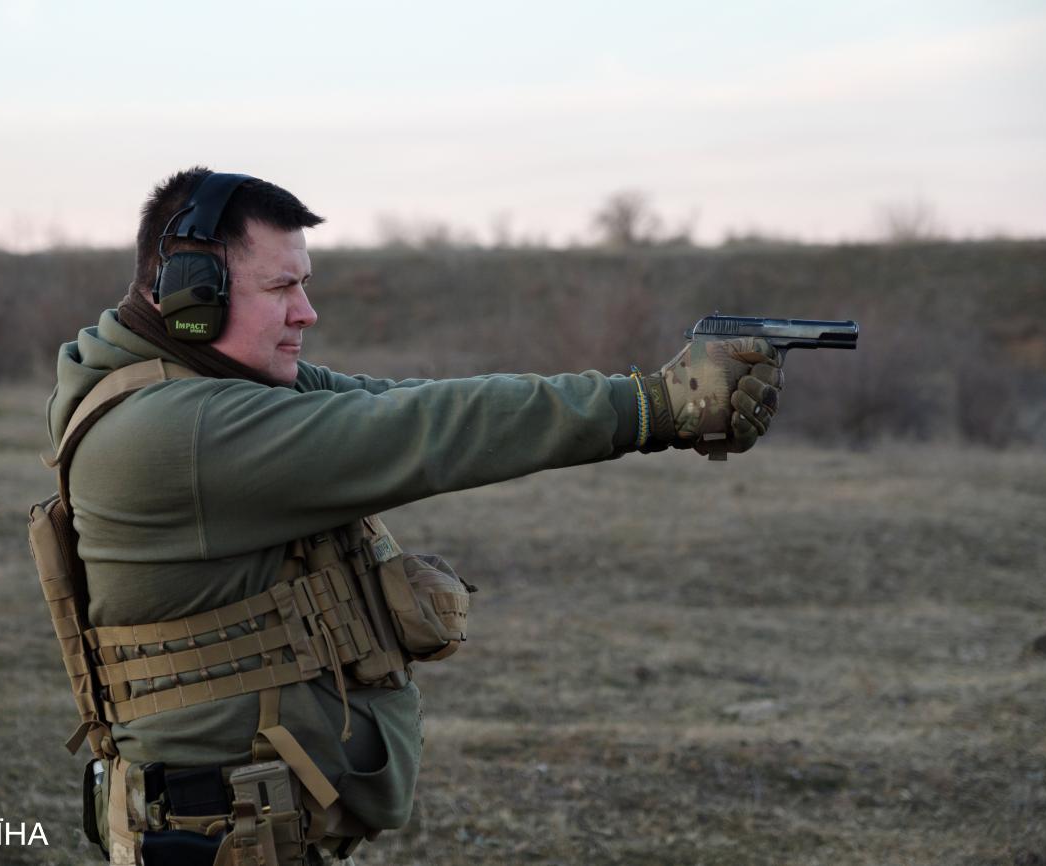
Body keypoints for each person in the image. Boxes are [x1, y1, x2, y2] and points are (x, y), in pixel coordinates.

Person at [45, 167, 783, 865]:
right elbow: (424, 429)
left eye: (305, 284)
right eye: (280, 288)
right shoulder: (179, 431)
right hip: (212, 842)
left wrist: (651, 407)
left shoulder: (206, 386)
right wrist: (655, 405)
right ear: (190, 299)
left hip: (241, 827)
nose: (307, 311)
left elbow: (398, 404)